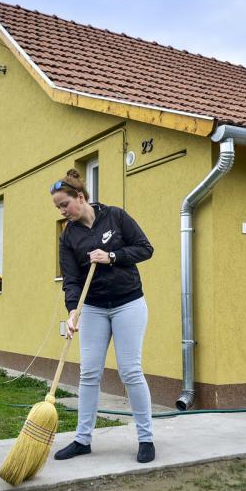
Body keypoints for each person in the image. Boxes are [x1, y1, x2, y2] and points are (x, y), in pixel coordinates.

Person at [50, 169, 156, 463]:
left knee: (130, 370)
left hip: (128, 303)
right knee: (89, 373)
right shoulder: (68, 237)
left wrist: (111, 257)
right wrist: (73, 311)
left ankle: (146, 438)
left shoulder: (115, 217)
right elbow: (71, 279)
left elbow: (146, 249)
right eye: (58, 207)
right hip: (94, 307)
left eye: (64, 205)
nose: (62, 211)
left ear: (80, 197)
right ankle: (83, 440)